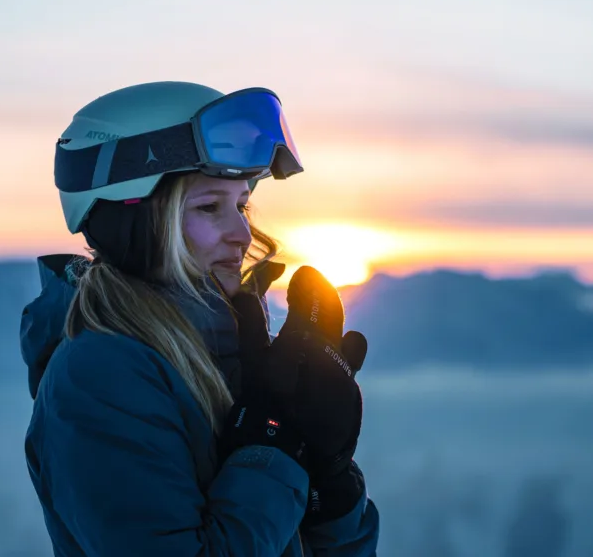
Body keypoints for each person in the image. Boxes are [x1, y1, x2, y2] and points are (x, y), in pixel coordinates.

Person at [19, 81, 379, 556]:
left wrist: (329, 485)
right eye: (210, 207)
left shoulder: (230, 350)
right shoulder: (99, 375)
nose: (242, 232)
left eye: (242, 204)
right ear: (135, 221)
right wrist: (273, 440)